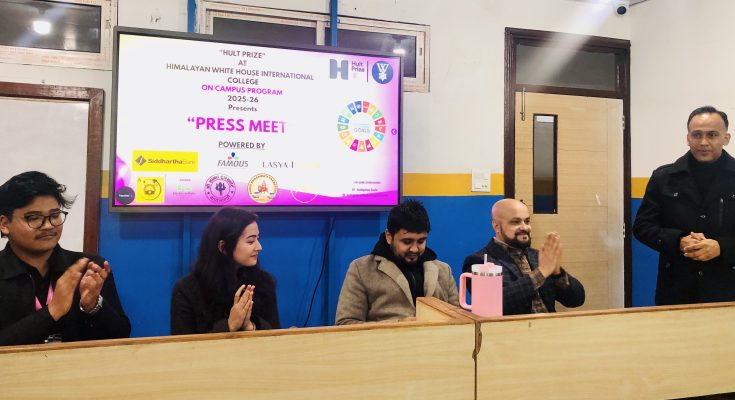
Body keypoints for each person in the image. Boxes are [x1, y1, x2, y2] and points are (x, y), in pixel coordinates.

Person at [0, 171, 130, 345]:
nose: (48, 226)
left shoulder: (89, 268)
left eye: (54, 215)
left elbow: (121, 337)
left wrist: (93, 306)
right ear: (4, 224)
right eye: (34, 218)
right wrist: (53, 311)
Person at [634, 105, 735, 305]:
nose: (703, 142)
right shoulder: (664, 177)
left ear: (726, 138)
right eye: (696, 135)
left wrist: (722, 247)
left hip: (727, 288)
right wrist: (678, 240)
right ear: (688, 138)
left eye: (712, 134)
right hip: (676, 289)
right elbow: (642, 227)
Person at [335, 200, 459, 325]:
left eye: (421, 241)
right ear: (389, 237)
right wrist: (397, 326)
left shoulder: (444, 270)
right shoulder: (361, 269)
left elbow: (459, 320)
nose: (414, 249)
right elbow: (345, 323)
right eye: (407, 242)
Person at [463, 198, 584, 315]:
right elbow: (493, 304)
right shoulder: (479, 261)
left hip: (550, 326)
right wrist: (541, 273)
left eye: (527, 221)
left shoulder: (538, 256)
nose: (525, 227)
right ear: (497, 226)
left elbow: (576, 300)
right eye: (515, 222)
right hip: (512, 328)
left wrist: (558, 274)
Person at [170, 207, 280, 334]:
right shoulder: (186, 290)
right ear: (223, 247)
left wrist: (252, 326)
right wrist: (229, 325)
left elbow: (276, 334)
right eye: (250, 241)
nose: (259, 247)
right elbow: (181, 342)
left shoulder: (264, 283)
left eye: (258, 238)